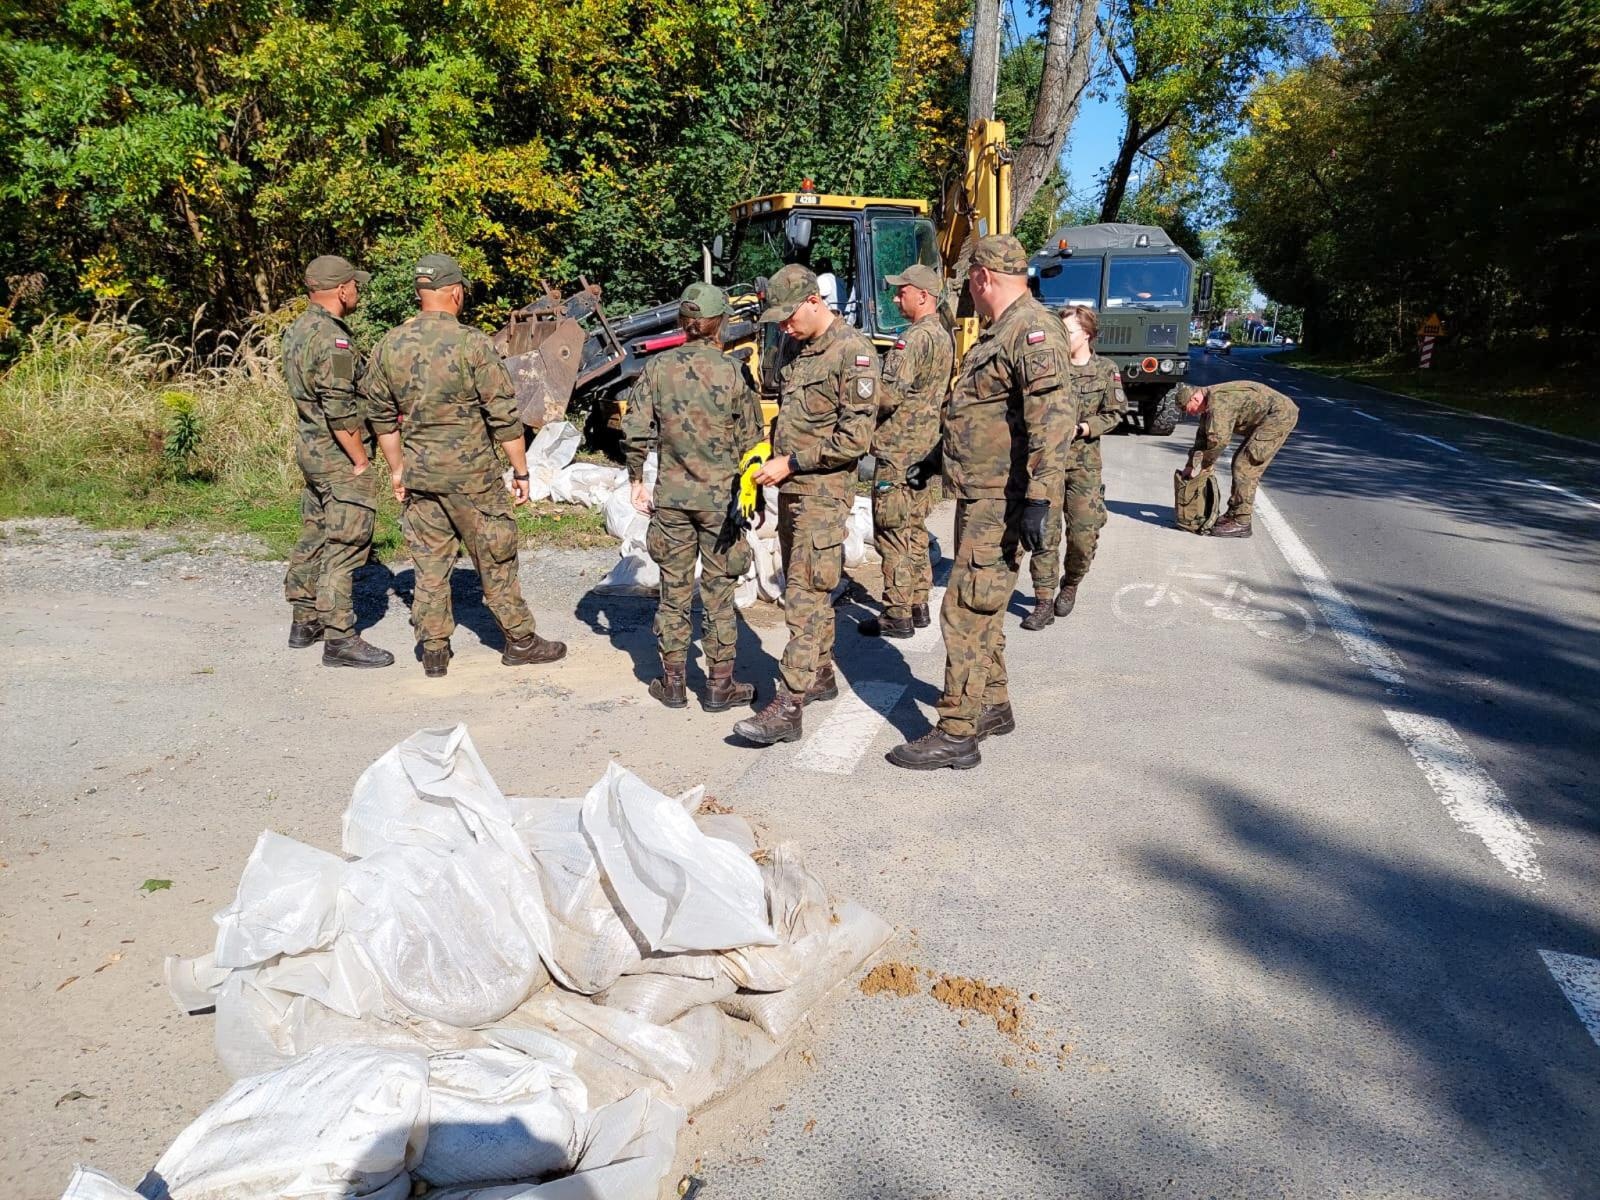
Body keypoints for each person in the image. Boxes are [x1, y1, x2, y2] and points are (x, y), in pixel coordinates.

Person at [887, 234, 1075, 771]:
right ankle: (992, 703)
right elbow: (985, 418)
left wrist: (1041, 497)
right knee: (982, 603)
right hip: (980, 492)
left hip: (1002, 499)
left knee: (966, 609)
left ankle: (956, 732)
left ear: (982, 277)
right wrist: (937, 458)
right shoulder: (1003, 331)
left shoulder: (1032, 332)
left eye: (968, 281)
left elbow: (1053, 418)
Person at [363, 253, 566, 676]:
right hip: (473, 477)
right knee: (495, 556)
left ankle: (435, 649)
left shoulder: (389, 345)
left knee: (430, 563)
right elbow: (503, 416)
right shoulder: (474, 344)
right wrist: (522, 472)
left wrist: (397, 470)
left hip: (421, 473)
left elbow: (381, 418)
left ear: (420, 294)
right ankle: (520, 641)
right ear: (455, 292)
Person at [732, 263, 878, 746]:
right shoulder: (798, 348)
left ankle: (789, 704)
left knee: (803, 594)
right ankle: (818, 674)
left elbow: (855, 438)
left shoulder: (852, 352)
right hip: (793, 491)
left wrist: (792, 461)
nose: (782, 326)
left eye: (788, 315)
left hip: (822, 492)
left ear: (814, 301)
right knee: (811, 588)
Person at [623, 282, 764, 711]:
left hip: (672, 499)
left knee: (674, 590)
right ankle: (720, 685)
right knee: (719, 592)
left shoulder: (658, 369)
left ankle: (672, 682)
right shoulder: (733, 371)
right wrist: (749, 493)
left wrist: (636, 479)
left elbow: (635, 429)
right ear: (719, 323)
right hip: (721, 502)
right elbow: (752, 438)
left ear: (684, 324)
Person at [281, 254, 394, 668]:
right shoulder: (333, 339)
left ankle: (304, 618)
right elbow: (339, 408)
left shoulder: (298, 329)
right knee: (346, 545)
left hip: (311, 450)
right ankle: (339, 638)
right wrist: (361, 460)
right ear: (342, 289)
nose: (358, 291)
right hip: (337, 456)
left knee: (315, 532)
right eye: (355, 285)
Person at [859, 263, 953, 639]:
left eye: (902, 292)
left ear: (923, 296)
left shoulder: (912, 339)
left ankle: (897, 611)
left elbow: (890, 393)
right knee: (914, 527)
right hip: (923, 449)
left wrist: (859, 391)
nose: (897, 298)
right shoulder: (943, 336)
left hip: (898, 449)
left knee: (892, 531)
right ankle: (918, 603)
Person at [1022, 304, 1125, 629]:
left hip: (1084, 466)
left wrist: (1083, 428)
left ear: (1088, 335)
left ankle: (1071, 583)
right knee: (1044, 534)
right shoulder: (1049, 369)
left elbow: (1115, 413)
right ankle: (1042, 601)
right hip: (1046, 465)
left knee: (1083, 535)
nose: (1061, 338)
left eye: (1067, 333)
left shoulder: (1106, 370)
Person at [1177, 381, 1300, 538]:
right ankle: (1234, 513)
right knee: (1240, 460)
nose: (1192, 414)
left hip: (1279, 416)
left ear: (1194, 399)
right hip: (1268, 416)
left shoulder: (1219, 402)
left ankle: (1242, 521)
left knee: (1245, 465)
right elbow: (1202, 438)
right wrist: (1189, 465)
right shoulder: (1208, 403)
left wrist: (1207, 465)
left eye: (1189, 410)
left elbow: (1219, 440)